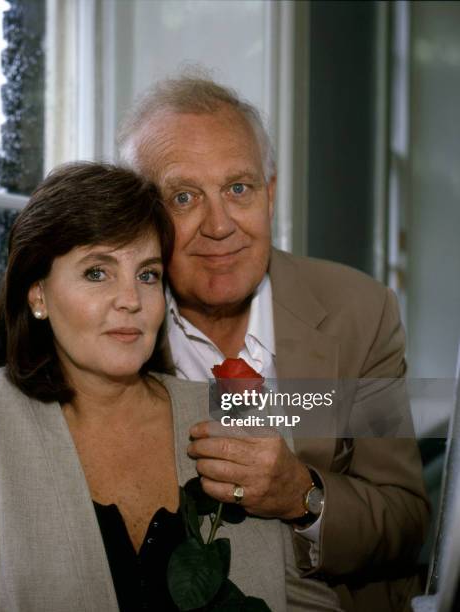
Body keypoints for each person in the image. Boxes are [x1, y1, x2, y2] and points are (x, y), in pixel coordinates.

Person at [0, 163, 341, 612]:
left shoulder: (240, 416)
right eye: (98, 272)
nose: (131, 299)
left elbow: (307, 601)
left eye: (148, 274)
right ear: (37, 295)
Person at [117, 76, 430, 611]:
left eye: (239, 188)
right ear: (145, 217)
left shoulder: (361, 312)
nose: (219, 226)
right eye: (184, 197)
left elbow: (404, 518)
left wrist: (301, 496)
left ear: (271, 193)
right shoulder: (116, 329)